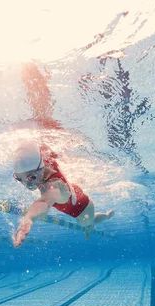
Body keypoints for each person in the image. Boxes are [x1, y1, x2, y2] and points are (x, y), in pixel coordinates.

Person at [12, 63, 114, 248]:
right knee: (43, 116)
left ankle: (105, 216)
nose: (29, 183)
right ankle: (36, 78)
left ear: (40, 169)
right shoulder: (42, 159)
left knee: (86, 223)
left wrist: (28, 219)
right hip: (72, 192)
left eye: (32, 177)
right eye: (21, 179)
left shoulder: (53, 188)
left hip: (82, 208)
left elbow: (44, 201)